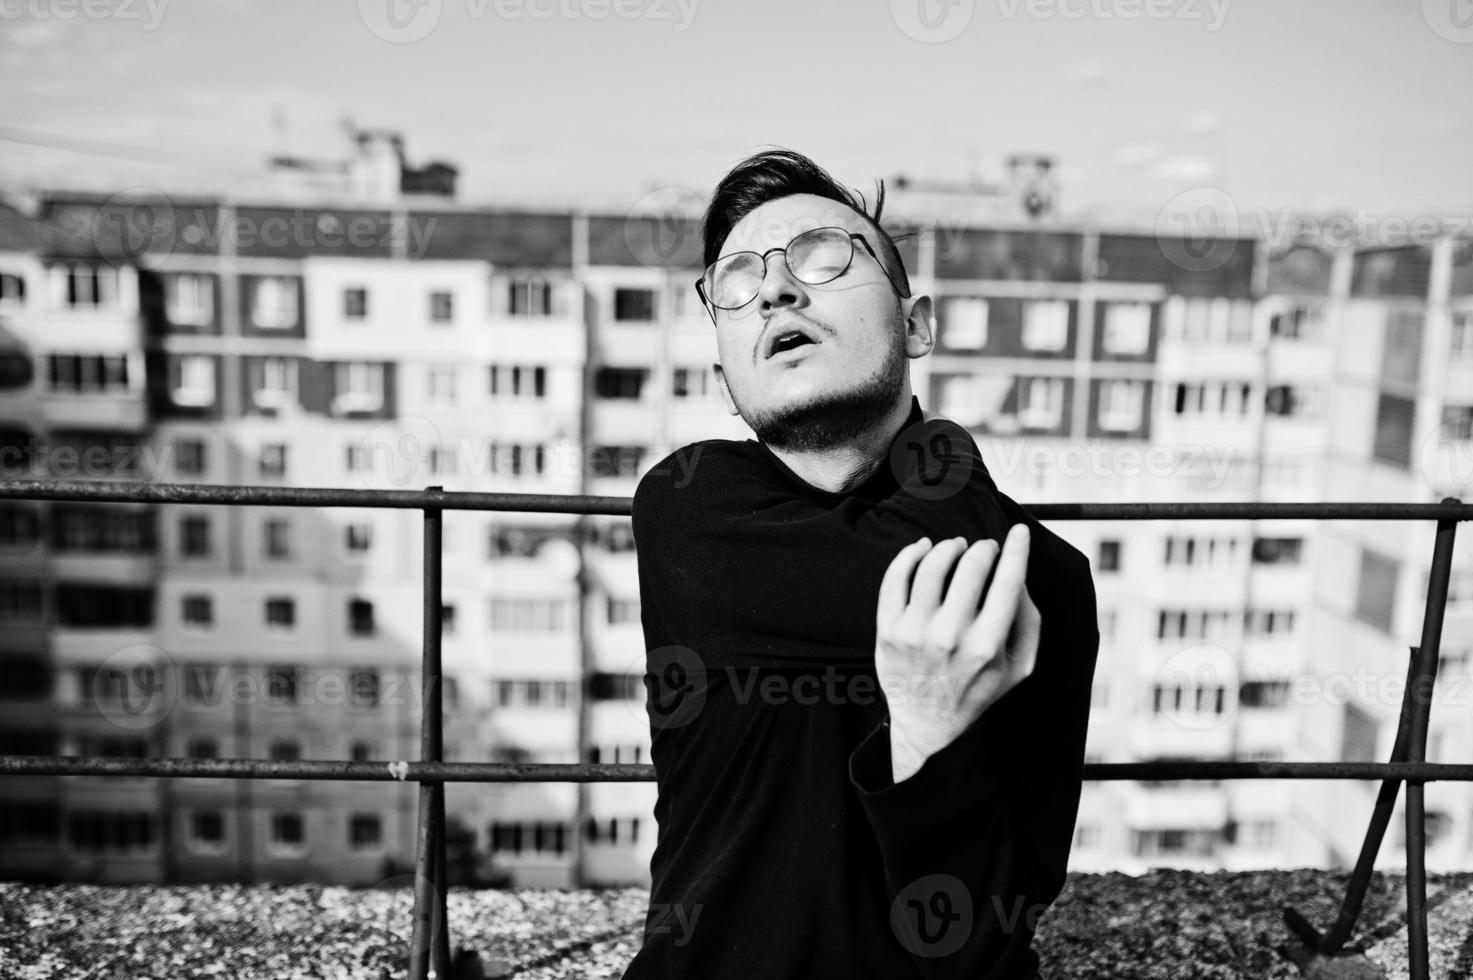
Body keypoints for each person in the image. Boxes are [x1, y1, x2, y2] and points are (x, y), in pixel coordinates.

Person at [621, 149, 1100, 980]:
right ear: (724, 378)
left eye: (823, 256)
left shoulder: (1050, 579)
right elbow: (911, 570)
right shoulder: (689, 507)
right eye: (735, 279)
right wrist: (944, 447)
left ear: (916, 326)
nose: (774, 289)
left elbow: (996, 918)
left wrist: (926, 743)